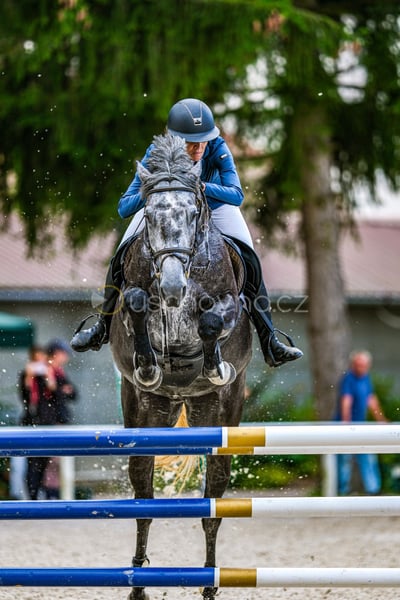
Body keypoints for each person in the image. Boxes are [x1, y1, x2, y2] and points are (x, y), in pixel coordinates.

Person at [71, 98, 303, 367]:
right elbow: (124, 207)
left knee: (249, 258)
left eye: (203, 140)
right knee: (122, 253)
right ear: (175, 138)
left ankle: (269, 340)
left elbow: (236, 195)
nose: (199, 147)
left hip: (216, 208)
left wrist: (200, 187)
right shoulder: (156, 152)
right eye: (192, 142)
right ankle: (102, 327)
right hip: (166, 210)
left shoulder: (217, 147)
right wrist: (154, 188)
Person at [18, 340, 77, 500]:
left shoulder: (54, 373)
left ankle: (49, 497)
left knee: (48, 463)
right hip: (34, 423)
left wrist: (53, 385)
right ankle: (33, 498)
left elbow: (70, 395)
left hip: (49, 423)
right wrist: (28, 378)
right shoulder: (30, 376)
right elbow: (26, 399)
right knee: (34, 463)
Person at [336, 350, 388, 496]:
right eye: (358, 365)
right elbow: (346, 401)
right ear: (353, 365)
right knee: (345, 459)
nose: (361, 368)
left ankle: (373, 490)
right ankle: (343, 491)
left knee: (367, 457)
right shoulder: (349, 379)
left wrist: (381, 420)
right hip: (347, 426)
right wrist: (346, 423)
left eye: (364, 365)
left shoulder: (366, 378)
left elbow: (371, 400)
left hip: (361, 426)